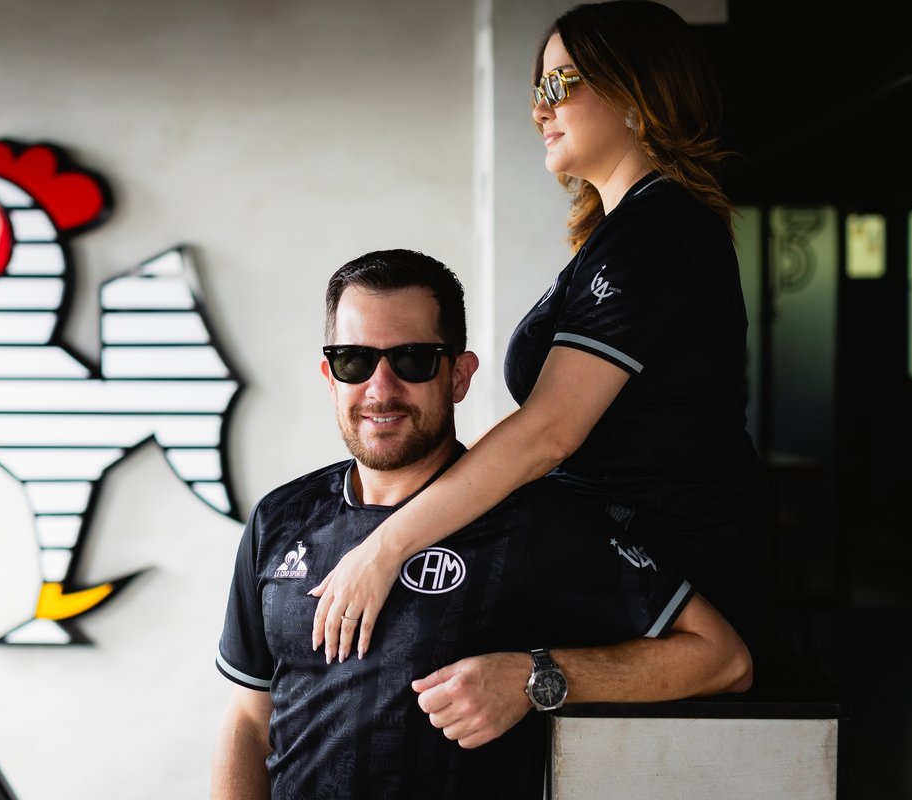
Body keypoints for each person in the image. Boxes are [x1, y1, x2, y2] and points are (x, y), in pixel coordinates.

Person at [310, 0, 772, 673]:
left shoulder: (656, 233)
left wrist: (384, 547)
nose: (538, 109)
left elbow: (549, 430)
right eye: (536, 88)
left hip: (675, 583)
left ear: (635, 92)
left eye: (559, 83)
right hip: (611, 562)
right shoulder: (622, 234)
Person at [211, 250, 752, 800]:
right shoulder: (280, 519)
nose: (380, 388)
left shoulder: (532, 519)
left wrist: (533, 677)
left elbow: (722, 659)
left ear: (460, 376)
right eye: (355, 360)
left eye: (414, 359)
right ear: (330, 376)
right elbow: (250, 721)